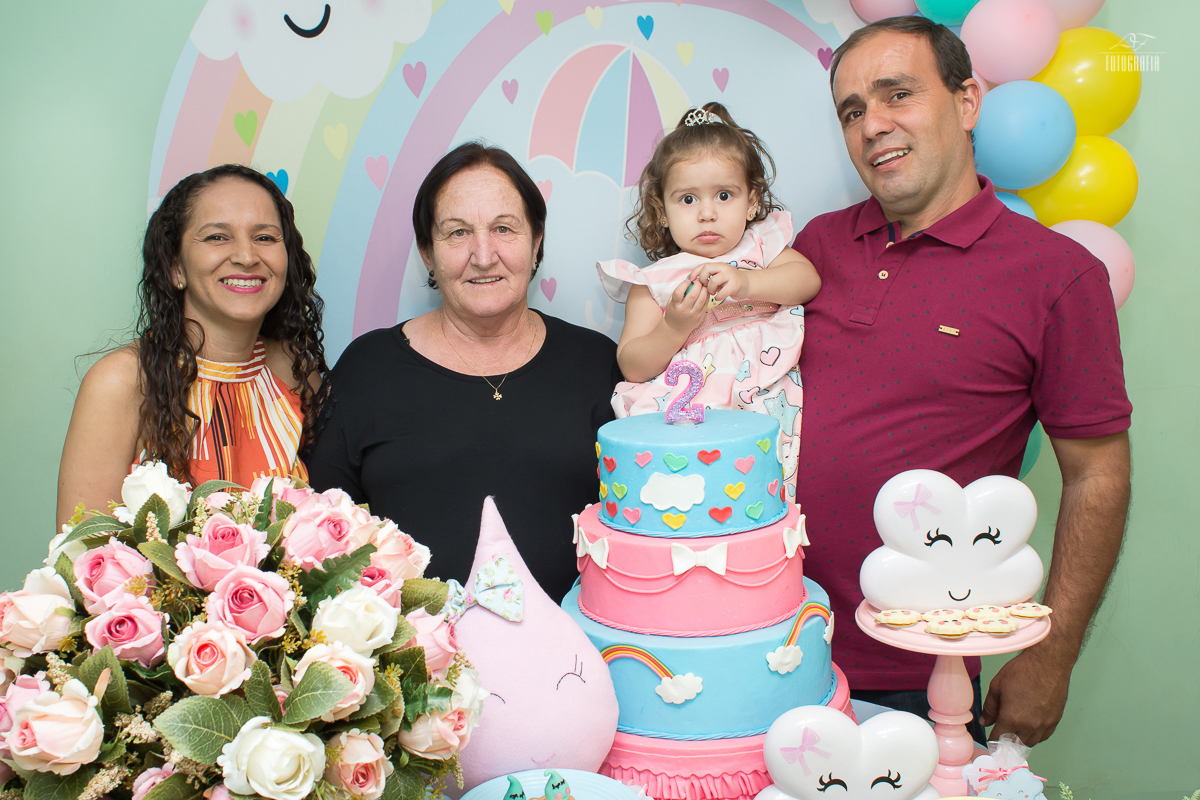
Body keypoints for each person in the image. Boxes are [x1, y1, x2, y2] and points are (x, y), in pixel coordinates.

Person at [791, 16, 1132, 745]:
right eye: (852, 111)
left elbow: (1097, 474)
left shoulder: (1057, 275)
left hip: (921, 664)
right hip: (771, 643)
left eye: (898, 94)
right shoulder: (815, 247)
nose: (873, 125)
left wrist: (1054, 652)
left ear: (968, 100)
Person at [306, 143, 621, 602]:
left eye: (504, 229)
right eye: (457, 233)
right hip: (415, 646)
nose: (484, 254)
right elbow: (322, 536)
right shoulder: (368, 369)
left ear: (536, 243)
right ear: (427, 253)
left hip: (580, 643)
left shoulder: (596, 363)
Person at [56, 164, 328, 528]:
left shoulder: (295, 371)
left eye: (265, 237)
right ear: (176, 268)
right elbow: (82, 552)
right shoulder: (121, 382)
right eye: (217, 237)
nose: (247, 256)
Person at [599, 103, 821, 484]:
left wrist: (747, 282)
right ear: (662, 211)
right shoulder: (655, 281)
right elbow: (631, 364)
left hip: (766, 397)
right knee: (702, 486)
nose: (707, 214)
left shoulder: (760, 247)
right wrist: (674, 326)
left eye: (724, 195)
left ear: (752, 201)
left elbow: (807, 281)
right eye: (688, 199)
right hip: (693, 414)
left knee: (766, 486)